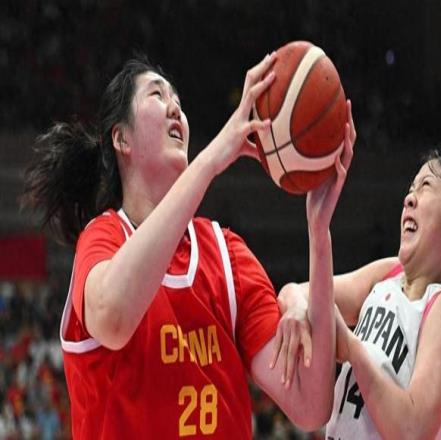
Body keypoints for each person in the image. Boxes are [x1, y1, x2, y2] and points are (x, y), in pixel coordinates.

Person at [22, 53, 356, 438]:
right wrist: (211, 160)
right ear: (121, 138)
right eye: (157, 95)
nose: (175, 108)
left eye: (178, 101)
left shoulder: (226, 254)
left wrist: (319, 235)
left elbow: (310, 405)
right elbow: (112, 319)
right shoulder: (104, 239)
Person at [275, 144, 441, 439]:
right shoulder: (387, 275)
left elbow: (412, 431)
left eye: (425, 186)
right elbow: (295, 292)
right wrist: (299, 306)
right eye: (411, 188)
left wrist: (352, 349)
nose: (408, 198)